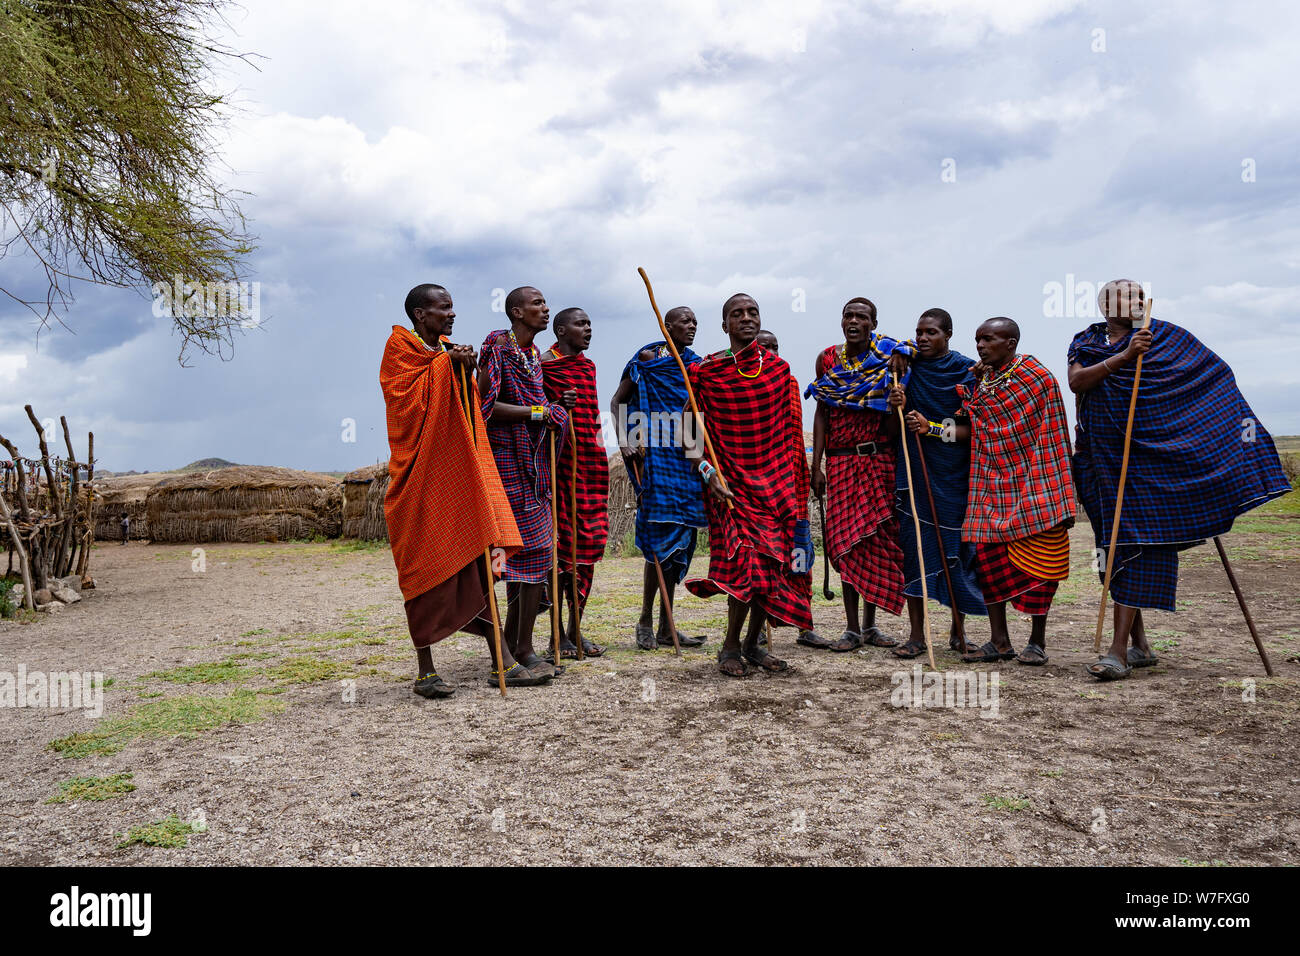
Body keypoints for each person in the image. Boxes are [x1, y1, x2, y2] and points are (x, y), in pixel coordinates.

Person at [1070, 280, 1291, 680]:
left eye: (1141, 296)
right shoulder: (1086, 340)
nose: (1138, 302)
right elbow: (1078, 381)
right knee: (1109, 551)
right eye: (1127, 297)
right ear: (1106, 305)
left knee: (1132, 547)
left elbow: (1213, 377)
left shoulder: (1167, 338)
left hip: (1149, 464)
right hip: (1099, 464)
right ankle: (1141, 646)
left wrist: (1191, 433)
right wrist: (1125, 356)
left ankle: (1117, 652)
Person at [381, 283, 531, 696]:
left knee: (474, 564)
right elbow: (404, 407)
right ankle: (425, 671)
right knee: (424, 568)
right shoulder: (400, 350)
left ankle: (503, 658)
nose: (451, 314)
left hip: (456, 476)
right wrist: (448, 366)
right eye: (442, 309)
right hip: (419, 478)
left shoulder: (448, 351)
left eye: (451, 308)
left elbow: (475, 405)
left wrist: (469, 369)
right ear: (419, 315)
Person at [685, 293, 811, 677]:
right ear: (725, 326)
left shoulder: (778, 370)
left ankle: (753, 646)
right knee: (747, 565)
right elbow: (690, 438)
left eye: (752, 312)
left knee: (772, 569)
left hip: (776, 487)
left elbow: (791, 435)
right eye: (736, 314)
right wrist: (711, 475)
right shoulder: (706, 374)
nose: (746, 318)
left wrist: (795, 485)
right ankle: (729, 647)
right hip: (730, 487)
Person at [960, 317, 1074, 665]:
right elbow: (975, 425)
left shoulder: (1037, 378)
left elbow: (1052, 434)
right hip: (991, 485)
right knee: (987, 561)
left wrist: (1047, 486)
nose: (980, 346)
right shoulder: (983, 382)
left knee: (1042, 565)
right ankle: (999, 640)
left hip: (1036, 486)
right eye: (977, 340)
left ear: (1010, 343)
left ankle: (1037, 642)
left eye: (988, 340)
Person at [479, 286, 575, 681]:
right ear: (516, 311)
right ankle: (508, 652)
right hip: (503, 468)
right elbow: (485, 406)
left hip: (533, 471)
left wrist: (556, 408)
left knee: (538, 553)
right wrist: (539, 411)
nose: (545, 308)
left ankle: (520, 646)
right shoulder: (496, 349)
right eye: (537, 304)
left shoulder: (532, 356)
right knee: (506, 559)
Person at [806, 297, 912, 651]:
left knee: (876, 540)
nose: (854, 321)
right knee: (843, 544)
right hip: (840, 463)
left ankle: (870, 626)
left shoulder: (889, 359)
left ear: (873, 323)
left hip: (879, 459)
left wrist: (897, 403)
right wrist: (816, 464)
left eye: (862, 317)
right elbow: (822, 410)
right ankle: (850, 628)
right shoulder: (827, 360)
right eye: (848, 315)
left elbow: (894, 421)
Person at [886, 308, 987, 658]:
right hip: (915, 474)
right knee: (914, 552)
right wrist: (895, 405)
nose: (924, 338)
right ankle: (917, 635)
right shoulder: (905, 370)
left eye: (931, 332)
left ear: (948, 334)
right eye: (919, 333)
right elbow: (892, 425)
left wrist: (931, 428)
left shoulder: (966, 371)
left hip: (954, 476)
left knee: (955, 554)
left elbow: (975, 430)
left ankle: (959, 633)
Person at [609, 305, 709, 650]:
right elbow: (617, 401)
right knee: (658, 539)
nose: (692, 325)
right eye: (685, 320)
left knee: (682, 541)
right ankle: (646, 619)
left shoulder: (697, 365)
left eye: (695, 320)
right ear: (667, 326)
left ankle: (668, 626)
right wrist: (625, 442)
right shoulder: (648, 358)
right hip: (654, 453)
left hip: (687, 458)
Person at [745, 328, 829, 649]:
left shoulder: (790, 383)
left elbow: (794, 435)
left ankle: (804, 624)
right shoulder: (747, 386)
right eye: (763, 347)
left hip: (792, 483)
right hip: (760, 487)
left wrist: (811, 471)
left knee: (799, 553)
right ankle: (751, 632)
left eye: (775, 347)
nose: (770, 352)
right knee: (762, 558)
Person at [541, 307, 609, 658]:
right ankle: (556, 635)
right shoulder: (543, 366)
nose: (588, 328)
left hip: (589, 464)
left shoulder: (589, 367)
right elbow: (535, 411)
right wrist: (556, 404)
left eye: (590, 322)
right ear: (561, 330)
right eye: (581, 324)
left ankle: (575, 628)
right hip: (559, 465)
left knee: (587, 548)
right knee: (561, 551)